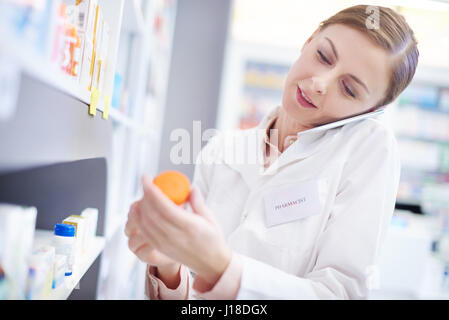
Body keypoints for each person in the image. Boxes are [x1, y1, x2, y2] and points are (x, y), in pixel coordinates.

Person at [125, 4, 419, 299]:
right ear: (309, 40)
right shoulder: (223, 149)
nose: (318, 83)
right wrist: (168, 263)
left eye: (349, 90)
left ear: (372, 111)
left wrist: (222, 267)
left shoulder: (368, 150)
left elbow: (339, 293)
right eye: (323, 56)